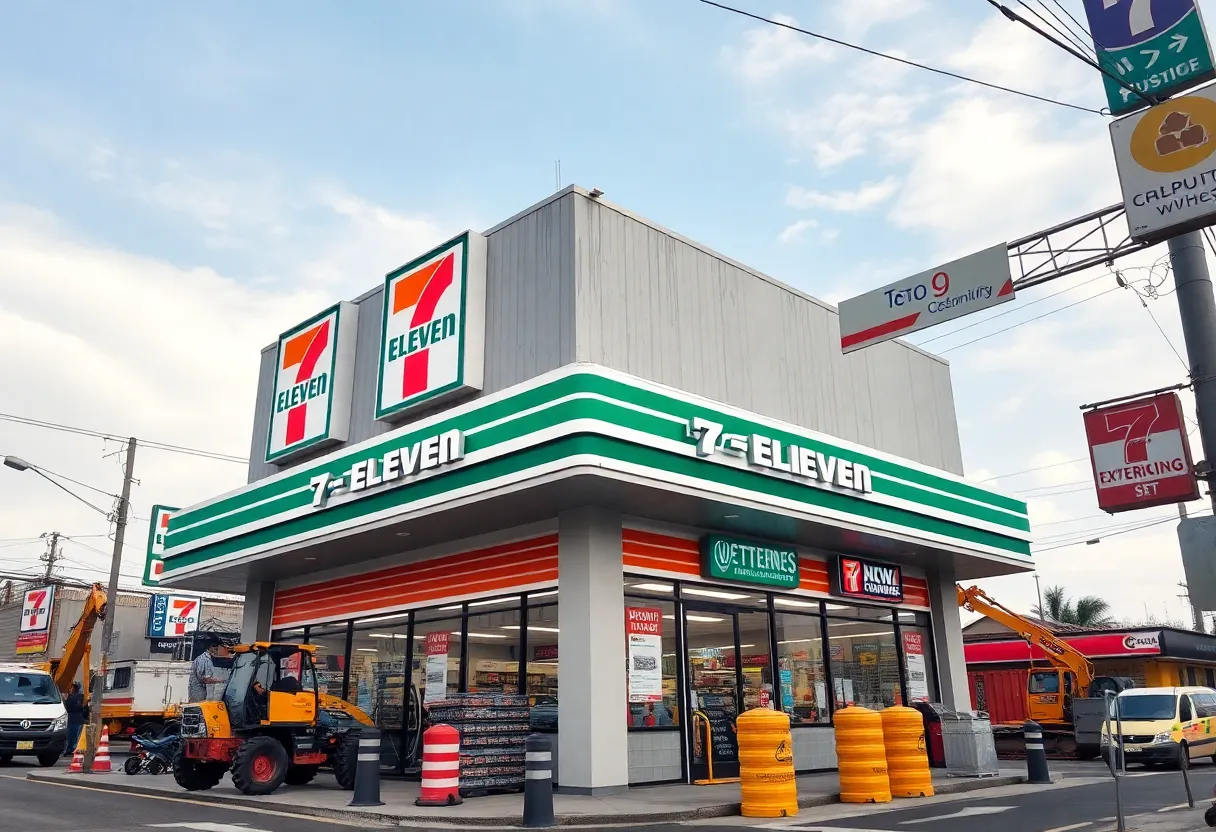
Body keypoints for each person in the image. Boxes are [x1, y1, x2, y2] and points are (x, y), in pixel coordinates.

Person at [63, 681, 87, 754]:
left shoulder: (70, 698)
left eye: (71, 688)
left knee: (71, 736)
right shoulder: (81, 697)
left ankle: (70, 749)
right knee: (76, 736)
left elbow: (67, 707)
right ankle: (74, 748)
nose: (70, 689)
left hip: (71, 719)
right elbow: (85, 709)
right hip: (78, 719)